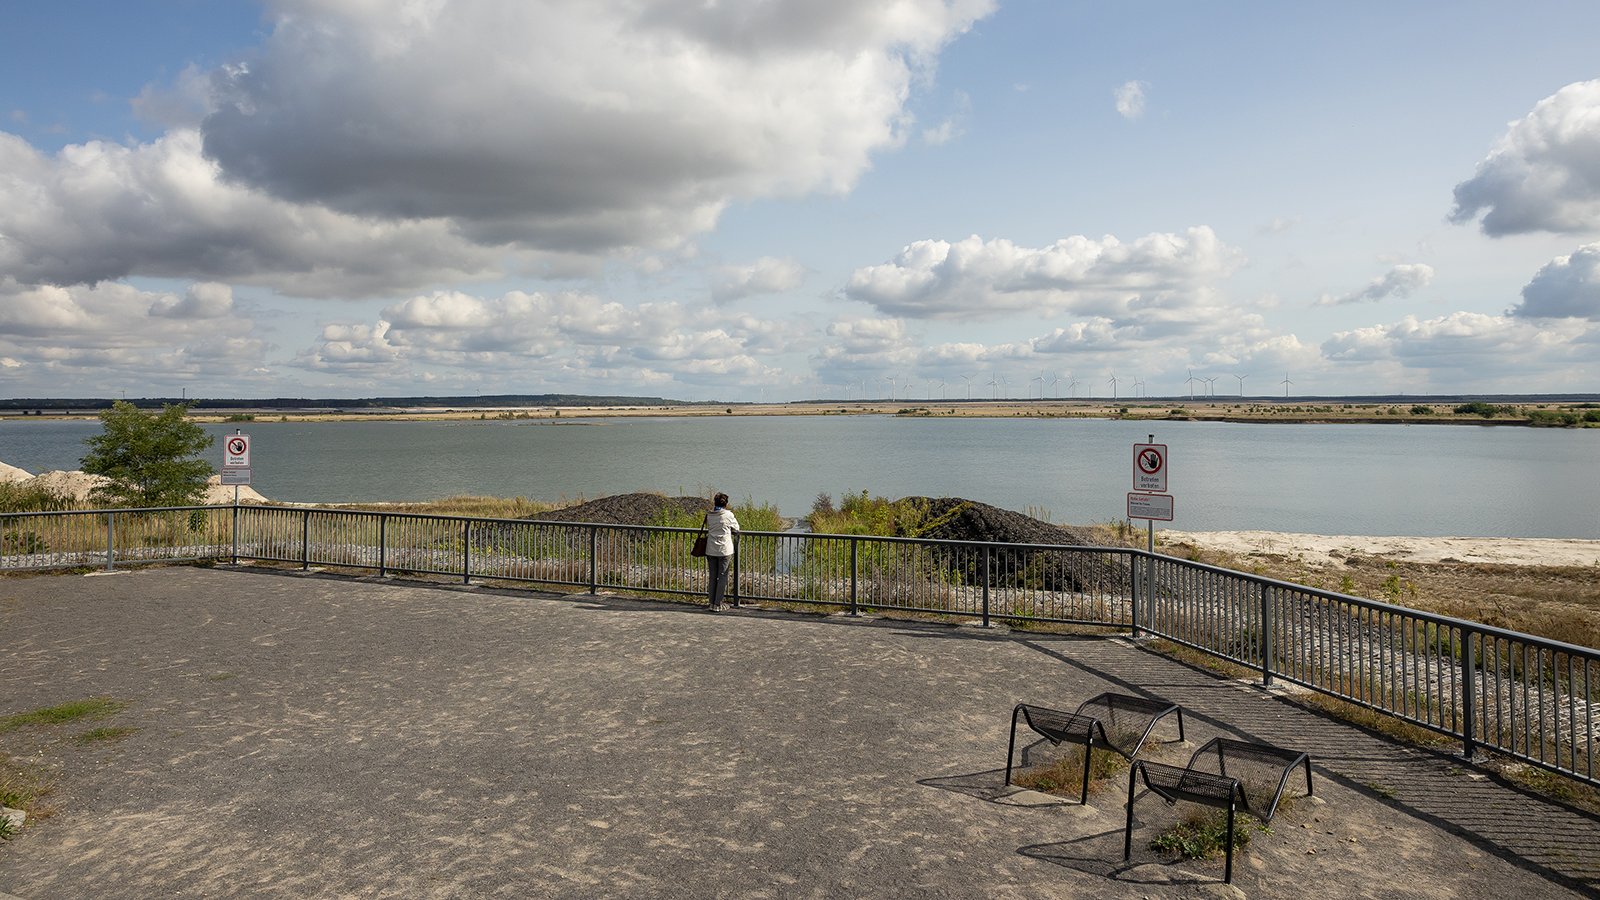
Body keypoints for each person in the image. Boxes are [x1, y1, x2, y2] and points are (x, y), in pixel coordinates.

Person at [703, 492, 741, 611]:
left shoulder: (709, 515)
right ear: (726, 504)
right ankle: (718, 604)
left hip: (710, 549)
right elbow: (736, 528)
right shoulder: (728, 515)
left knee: (712, 576)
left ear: (715, 502)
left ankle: (711, 603)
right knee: (722, 576)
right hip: (724, 550)